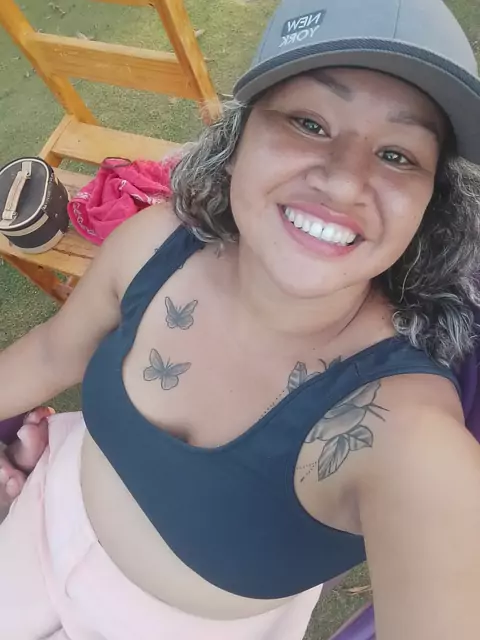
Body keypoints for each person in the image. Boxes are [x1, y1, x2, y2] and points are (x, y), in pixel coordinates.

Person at [1, 0, 480, 637]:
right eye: (309, 122)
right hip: (44, 516)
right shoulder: (154, 245)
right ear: (237, 138)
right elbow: (50, 354)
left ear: (430, 206)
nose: (344, 182)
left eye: (398, 155)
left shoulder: (408, 436)